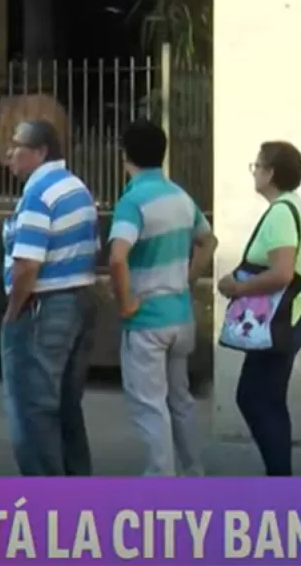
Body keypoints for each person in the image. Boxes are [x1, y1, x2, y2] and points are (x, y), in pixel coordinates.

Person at [108, 119, 217, 476]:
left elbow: (117, 257)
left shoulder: (132, 201)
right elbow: (208, 241)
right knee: (180, 401)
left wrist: (126, 303)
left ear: (126, 155)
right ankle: (193, 473)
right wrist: (186, 277)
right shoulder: (180, 196)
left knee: (150, 406)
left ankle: (161, 481)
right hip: (180, 315)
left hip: (147, 321)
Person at [1, 120, 99, 476]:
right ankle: (76, 488)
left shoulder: (39, 192)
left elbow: (27, 263)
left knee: (33, 408)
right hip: (79, 300)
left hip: (44, 306)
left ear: (40, 152)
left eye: (16, 145)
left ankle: (47, 498)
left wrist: (13, 311)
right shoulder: (76, 186)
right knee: (66, 405)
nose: (9, 153)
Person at [219, 141, 301, 476]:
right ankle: (279, 475)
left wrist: (238, 288)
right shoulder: (291, 207)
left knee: (254, 398)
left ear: (271, 172)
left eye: (257, 166)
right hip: (290, 315)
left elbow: (282, 273)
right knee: (268, 399)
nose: (254, 172)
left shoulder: (281, 214)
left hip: (281, 317)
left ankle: (279, 480)